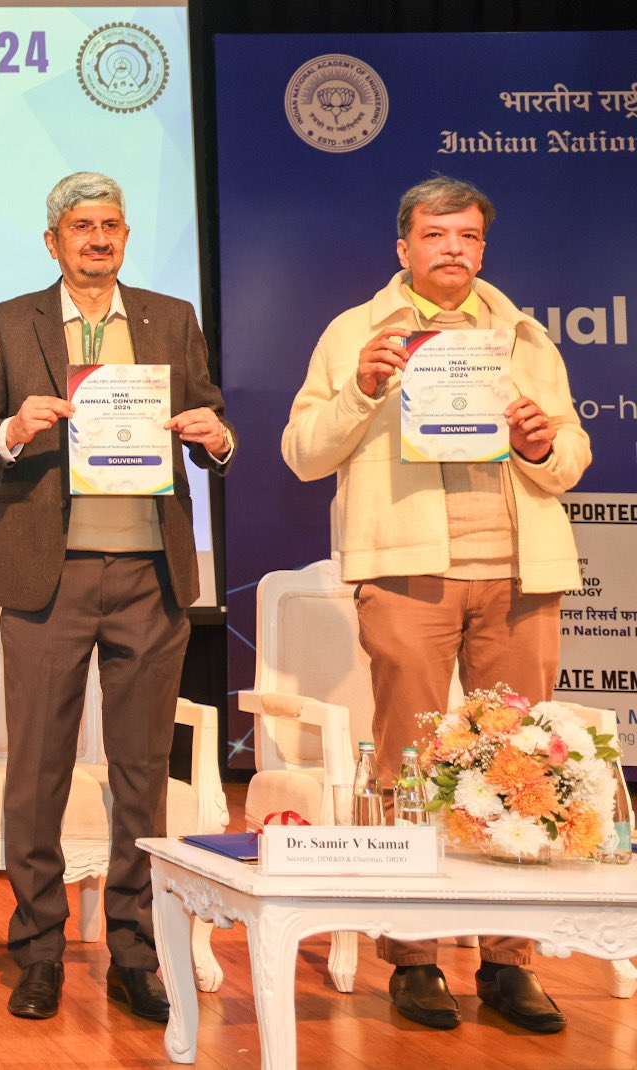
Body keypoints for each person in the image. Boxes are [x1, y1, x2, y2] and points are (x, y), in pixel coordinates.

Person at [282, 175, 588, 1035]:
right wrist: (362, 389)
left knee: (518, 765)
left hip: (519, 573)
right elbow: (303, 452)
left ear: (482, 248)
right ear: (404, 247)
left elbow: (571, 453)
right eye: (435, 234)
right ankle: (414, 956)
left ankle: (509, 961)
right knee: (410, 764)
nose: (453, 248)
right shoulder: (356, 332)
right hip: (409, 570)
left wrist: (542, 444)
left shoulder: (522, 335)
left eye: (468, 236)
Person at [0, 171, 233, 1024]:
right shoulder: (8, 324)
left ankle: (134, 954)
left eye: (110, 225)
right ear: (53, 241)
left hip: (151, 575)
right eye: (81, 226)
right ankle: (38, 951)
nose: (97, 238)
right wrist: (11, 430)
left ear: (125, 237)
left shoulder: (171, 318)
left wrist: (217, 438)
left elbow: (211, 422)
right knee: (38, 770)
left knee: (143, 774)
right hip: (50, 575)